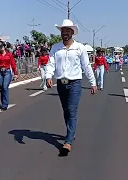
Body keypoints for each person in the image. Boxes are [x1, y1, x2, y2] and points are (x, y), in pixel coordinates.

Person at [45, 19, 97, 154]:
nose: (65, 33)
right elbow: (50, 63)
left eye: (68, 30)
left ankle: (68, 141)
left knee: (72, 110)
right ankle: (70, 133)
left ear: (72, 32)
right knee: (66, 111)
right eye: (63, 30)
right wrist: (48, 76)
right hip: (61, 84)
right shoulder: (56, 47)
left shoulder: (80, 47)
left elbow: (86, 66)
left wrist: (93, 82)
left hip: (75, 83)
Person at [0, 40, 18, 111]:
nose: (1, 48)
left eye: (2, 46)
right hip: (0, 72)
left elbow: (13, 64)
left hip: (7, 72)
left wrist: (15, 74)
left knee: (5, 87)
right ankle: (3, 103)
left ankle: (5, 104)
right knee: (1, 88)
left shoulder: (9, 54)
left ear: (4, 46)